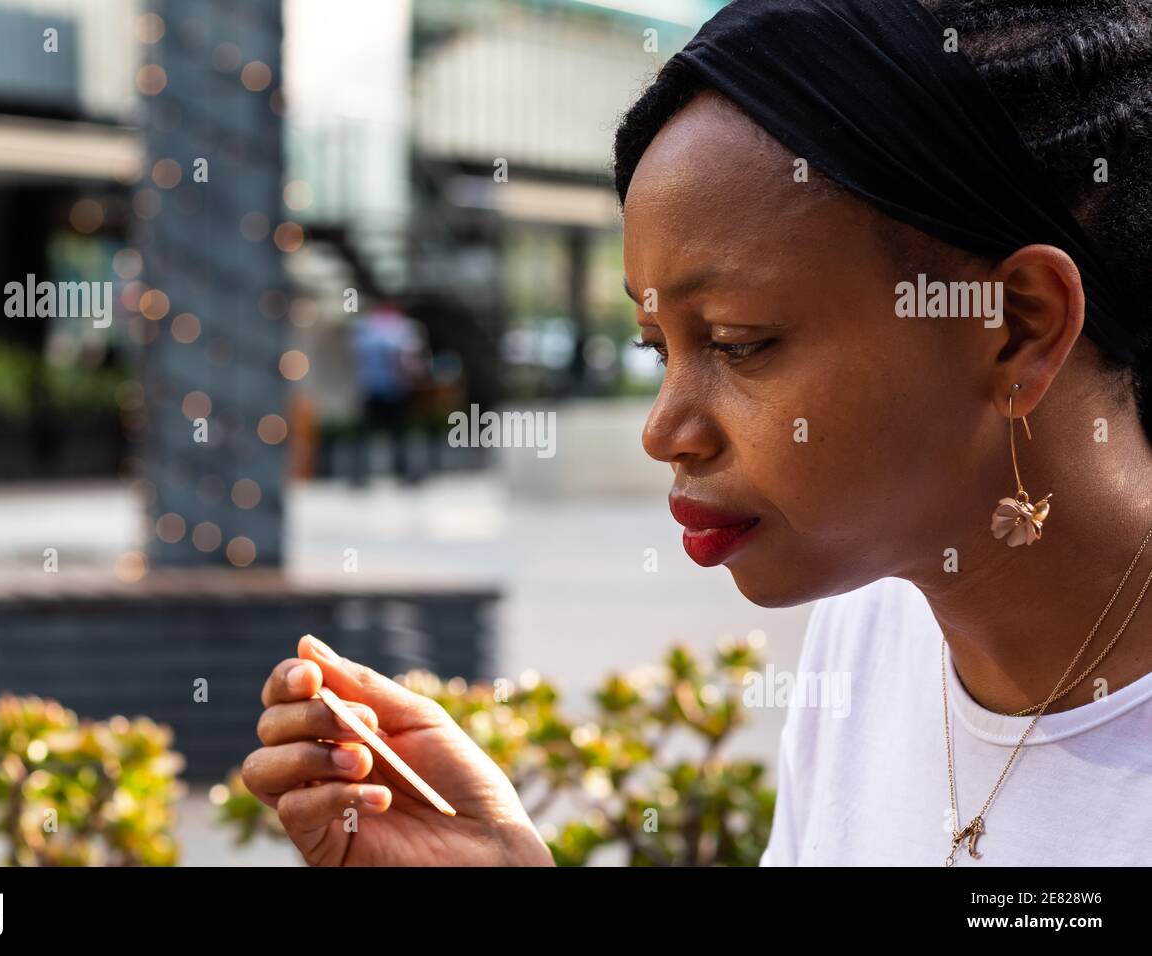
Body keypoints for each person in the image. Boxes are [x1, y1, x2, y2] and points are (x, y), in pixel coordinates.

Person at [243, 0, 1152, 866]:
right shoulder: (870, 630)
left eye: (738, 342)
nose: (665, 431)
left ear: (1020, 325)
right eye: (656, 347)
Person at [347, 299, 427, 485]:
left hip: (396, 388)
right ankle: (360, 474)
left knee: (401, 434)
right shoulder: (367, 326)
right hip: (373, 387)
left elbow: (412, 354)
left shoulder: (402, 327)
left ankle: (406, 471)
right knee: (366, 434)